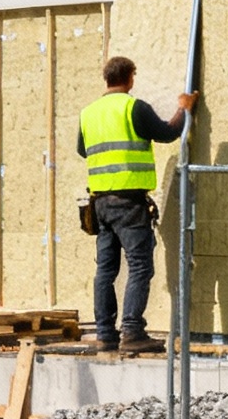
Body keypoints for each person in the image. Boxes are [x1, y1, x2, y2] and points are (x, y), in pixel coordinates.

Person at [77, 55, 195, 355]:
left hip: (100, 202)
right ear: (130, 77)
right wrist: (184, 109)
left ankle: (105, 334)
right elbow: (168, 133)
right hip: (129, 202)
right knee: (140, 265)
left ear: (107, 78)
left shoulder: (89, 113)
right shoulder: (133, 107)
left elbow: (83, 150)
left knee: (106, 270)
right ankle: (132, 332)